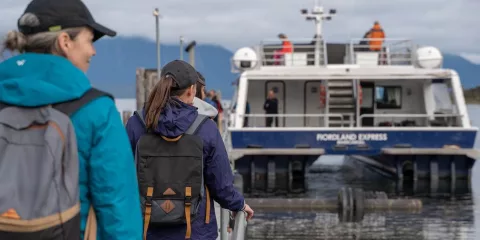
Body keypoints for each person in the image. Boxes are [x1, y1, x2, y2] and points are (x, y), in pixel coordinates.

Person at [0, 0, 143, 239]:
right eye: (89, 40)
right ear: (65, 42)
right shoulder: (97, 111)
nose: (93, 51)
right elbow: (118, 210)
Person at [125, 60, 253, 240]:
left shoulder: (136, 124)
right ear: (192, 90)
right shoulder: (206, 128)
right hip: (195, 231)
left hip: (147, 229)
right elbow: (221, 184)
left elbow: (121, 175)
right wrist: (239, 204)